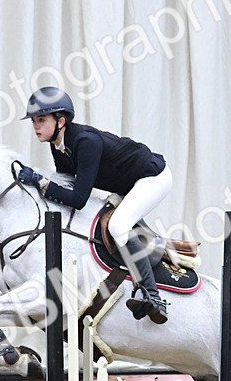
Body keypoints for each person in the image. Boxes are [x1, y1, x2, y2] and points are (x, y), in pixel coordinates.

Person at [16, 87, 172, 324]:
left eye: (41, 120)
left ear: (61, 121)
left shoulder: (85, 142)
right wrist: (40, 184)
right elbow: (66, 187)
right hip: (127, 184)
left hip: (153, 177)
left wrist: (41, 182)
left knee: (119, 226)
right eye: (34, 121)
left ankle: (153, 296)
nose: (36, 126)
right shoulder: (58, 145)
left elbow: (78, 199)